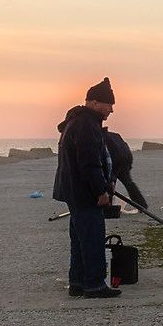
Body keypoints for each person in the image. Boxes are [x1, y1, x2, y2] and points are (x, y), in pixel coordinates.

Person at [53, 77, 147, 298]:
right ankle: (94, 285)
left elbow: (98, 159)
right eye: (109, 105)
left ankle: (78, 283)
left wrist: (108, 181)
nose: (111, 110)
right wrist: (101, 191)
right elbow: (89, 162)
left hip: (75, 191)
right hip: (85, 193)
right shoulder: (86, 124)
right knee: (93, 239)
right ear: (94, 102)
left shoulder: (78, 120)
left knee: (80, 239)